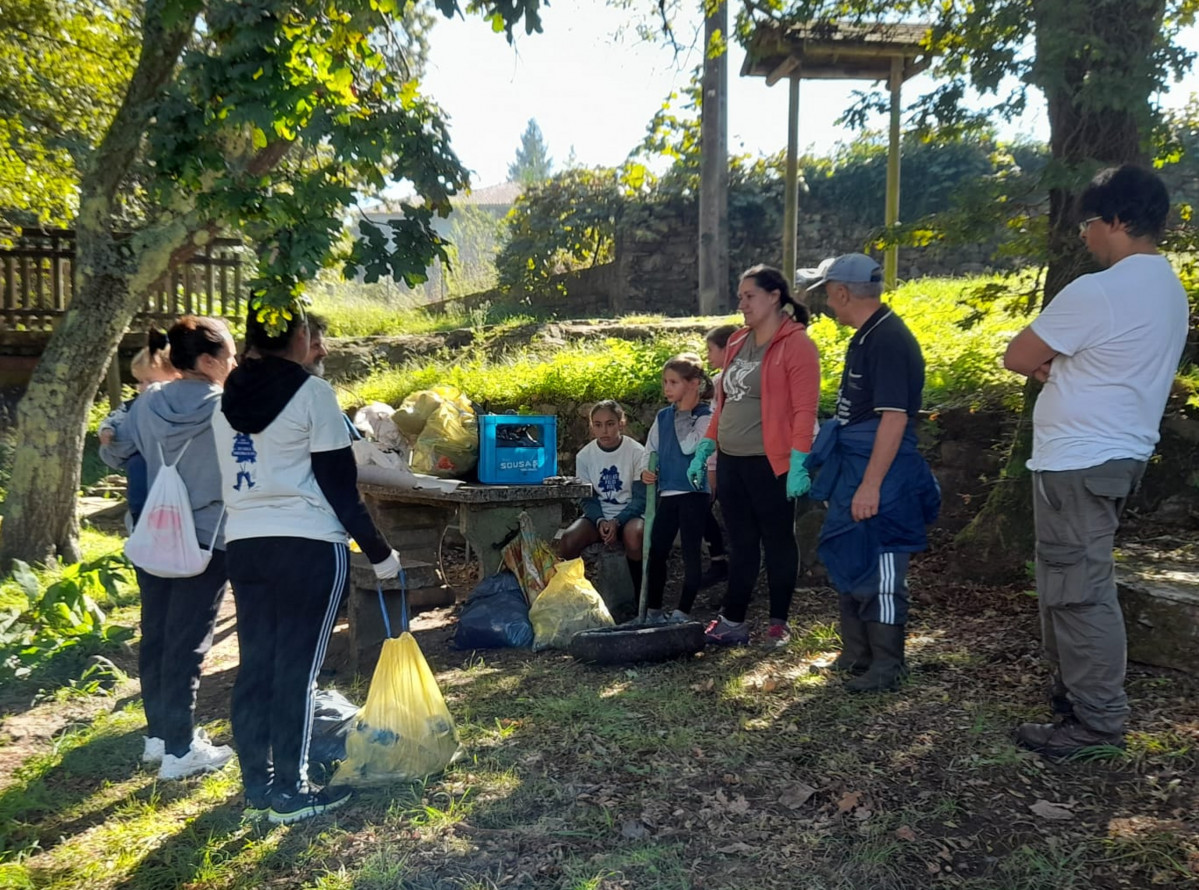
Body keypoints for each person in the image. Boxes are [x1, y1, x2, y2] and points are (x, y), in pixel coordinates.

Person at [1002, 165, 1188, 757]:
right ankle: (1074, 699)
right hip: (1117, 451)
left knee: (1079, 589)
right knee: (1071, 581)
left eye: (1087, 222)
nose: (1083, 235)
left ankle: (1096, 721)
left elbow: (1018, 355)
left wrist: (1050, 367)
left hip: (1079, 459)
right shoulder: (1167, 287)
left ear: (1114, 220)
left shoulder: (1100, 290)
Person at [213, 307, 402, 824]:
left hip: (245, 543)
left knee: (256, 666)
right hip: (307, 544)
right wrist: (381, 554)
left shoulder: (224, 399)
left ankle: (257, 786)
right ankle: (291, 791)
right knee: (296, 670)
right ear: (298, 336)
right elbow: (340, 488)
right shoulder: (314, 395)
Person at [99, 316, 237, 779]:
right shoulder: (228, 407)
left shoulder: (150, 400)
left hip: (154, 532)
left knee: (156, 636)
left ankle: (158, 738)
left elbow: (114, 451)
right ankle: (181, 752)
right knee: (188, 645)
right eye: (228, 354)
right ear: (205, 360)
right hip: (206, 537)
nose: (233, 362)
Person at [803, 254, 940, 693]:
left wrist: (871, 484)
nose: (826, 302)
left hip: (883, 472)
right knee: (851, 552)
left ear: (842, 292)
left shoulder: (889, 340)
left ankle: (887, 664)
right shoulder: (866, 336)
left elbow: (894, 420)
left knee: (881, 559)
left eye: (827, 292)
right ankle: (856, 652)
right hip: (857, 464)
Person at [688, 266, 821, 648]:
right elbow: (724, 404)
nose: (741, 303)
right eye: (740, 296)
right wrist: (706, 447)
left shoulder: (797, 345)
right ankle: (733, 621)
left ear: (774, 296)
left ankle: (779, 623)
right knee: (741, 542)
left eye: (749, 296)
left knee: (778, 539)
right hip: (732, 460)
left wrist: (798, 462)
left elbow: (804, 410)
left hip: (772, 461)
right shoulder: (737, 342)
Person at [639, 353, 714, 623]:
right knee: (657, 550)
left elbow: (688, 446)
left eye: (673, 382)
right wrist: (646, 470)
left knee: (691, 552)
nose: (667, 388)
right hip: (668, 494)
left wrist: (684, 413)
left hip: (694, 494)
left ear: (693, 384)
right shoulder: (662, 417)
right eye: (665, 382)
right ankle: (654, 610)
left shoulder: (705, 417)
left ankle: (683, 611)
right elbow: (650, 450)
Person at [558, 400, 646, 590]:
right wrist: (599, 521)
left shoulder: (637, 452)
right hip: (598, 516)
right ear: (592, 427)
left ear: (621, 423)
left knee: (635, 534)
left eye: (610, 424)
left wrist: (617, 521)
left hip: (629, 515)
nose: (604, 430)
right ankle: (574, 594)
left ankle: (639, 596)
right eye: (598, 425)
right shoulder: (584, 456)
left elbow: (640, 498)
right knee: (568, 540)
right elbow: (587, 497)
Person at [99, 329, 181, 526]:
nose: (143, 387)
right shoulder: (133, 405)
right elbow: (114, 418)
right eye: (140, 382)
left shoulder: (178, 405)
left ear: (176, 377)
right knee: (137, 466)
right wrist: (107, 430)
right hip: (143, 458)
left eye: (151, 381)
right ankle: (139, 514)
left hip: (169, 462)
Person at [698, 324, 738, 589]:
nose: (708, 356)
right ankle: (720, 562)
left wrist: (711, 468)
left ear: (728, 349)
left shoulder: (728, 381)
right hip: (725, 460)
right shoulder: (718, 381)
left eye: (711, 349)